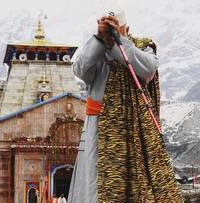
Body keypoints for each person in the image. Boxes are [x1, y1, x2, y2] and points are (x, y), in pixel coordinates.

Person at [67, 9, 184, 203]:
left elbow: (147, 69)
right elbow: (80, 70)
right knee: (98, 178)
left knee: (140, 177)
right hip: (101, 127)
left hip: (136, 126)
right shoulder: (97, 51)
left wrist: (118, 43)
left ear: (127, 28)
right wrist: (99, 39)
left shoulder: (142, 46)